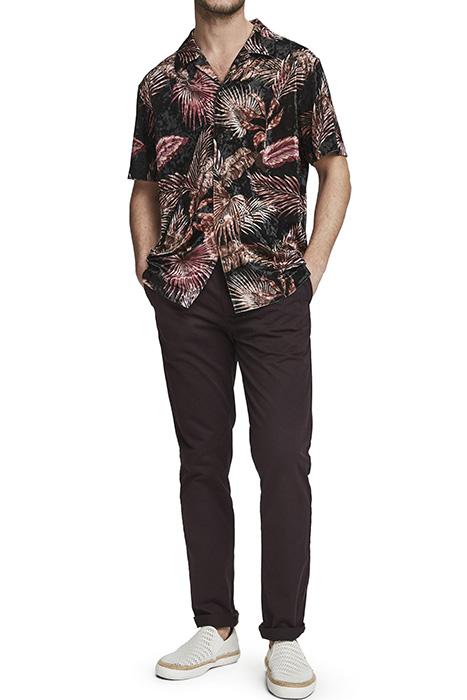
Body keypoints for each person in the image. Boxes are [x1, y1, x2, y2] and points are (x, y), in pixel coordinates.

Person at [128, 1, 351, 696]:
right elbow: (143, 186)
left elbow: (335, 170)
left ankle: (284, 635)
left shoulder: (295, 66)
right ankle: (214, 627)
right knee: (201, 461)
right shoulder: (159, 83)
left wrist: (310, 268)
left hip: (273, 290)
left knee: (283, 458)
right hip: (186, 294)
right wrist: (149, 270)